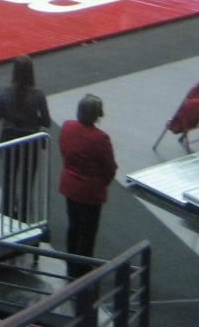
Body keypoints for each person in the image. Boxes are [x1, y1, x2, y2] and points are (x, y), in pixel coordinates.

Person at [59, 94, 118, 280]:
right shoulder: (101, 138)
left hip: (70, 186)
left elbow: (64, 150)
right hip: (91, 192)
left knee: (73, 227)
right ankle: (82, 273)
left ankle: (70, 267)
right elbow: (110, 168)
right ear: (97, 114)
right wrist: (101, 183)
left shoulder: (67, 127)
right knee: (88, 233)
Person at [0, 56, 53, 220]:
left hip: (9, 141)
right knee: (27, 183)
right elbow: (47, 122)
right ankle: (24, 217)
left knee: (8, 180)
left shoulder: (4, 93)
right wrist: (32, 120)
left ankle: (6, 215)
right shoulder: (38, 95)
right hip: (30, 144)